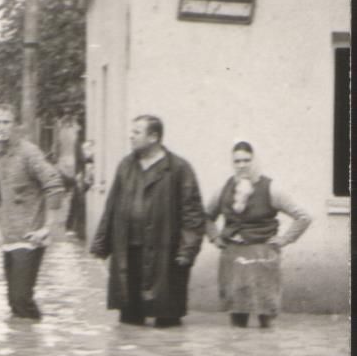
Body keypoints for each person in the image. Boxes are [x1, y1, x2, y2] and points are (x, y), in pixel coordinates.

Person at [90, 114, 204, 327]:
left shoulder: (179, 168)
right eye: (131, 132)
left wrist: (187, 250)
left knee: (166, 322)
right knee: (129, 322)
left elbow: (193, 215)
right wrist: (101, 244)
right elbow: (112, 207)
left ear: (153, 137)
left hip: (166, 254)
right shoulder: (126, 165)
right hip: (129, 252)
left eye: (136, 132)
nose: (131, 136)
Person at [204, 141, 312, 328]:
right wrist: (215, 237)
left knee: (265, 315)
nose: (242, 165)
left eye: (246, 160)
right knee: (237, 316)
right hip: (234, 258)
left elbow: (303, 217)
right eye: (237, 161)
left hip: (262, 257)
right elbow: (206, 217)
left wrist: (285, 239)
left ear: (254, 161)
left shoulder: (271, 188)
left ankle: (265, 345)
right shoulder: (224, 189)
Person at [0, 104, 66, 320]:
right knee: (14, 302)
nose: (1, 127)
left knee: (21, 298)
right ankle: (26, 339)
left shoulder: (29, 153)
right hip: (9, 237)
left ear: (14, 125)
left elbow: (54, 184)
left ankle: (37, 336)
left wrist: (47, 227)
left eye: (6, 122)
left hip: (31, 238)